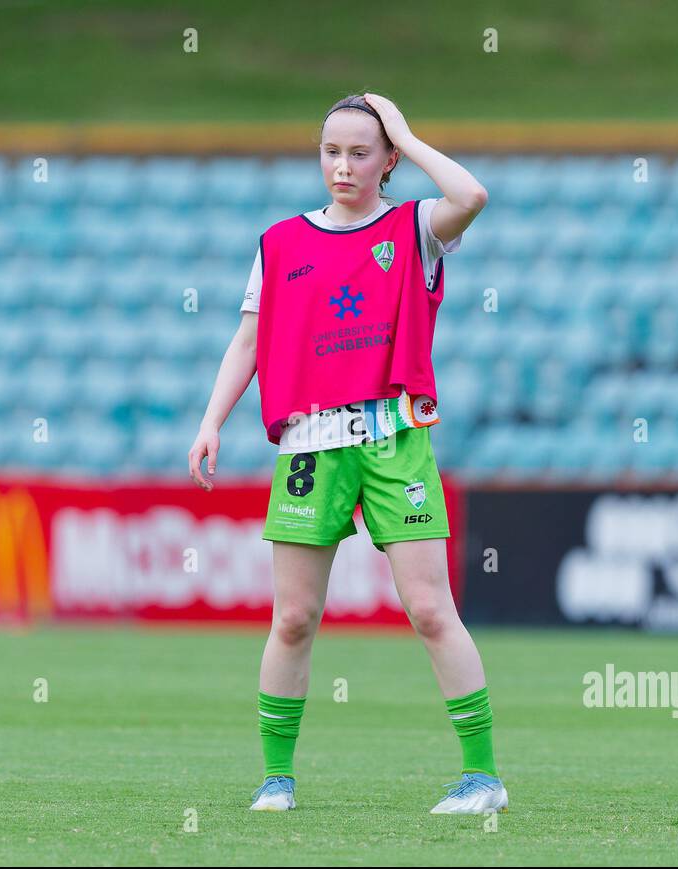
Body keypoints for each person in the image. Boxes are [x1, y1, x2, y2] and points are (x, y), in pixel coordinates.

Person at [188, 92, 503, 814]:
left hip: (394, 438)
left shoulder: (413, 225)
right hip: (309, 444)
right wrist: (212, 421)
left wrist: (410, 134)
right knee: (293, 618)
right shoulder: (279, 243)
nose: (343, 165)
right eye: (332, 150)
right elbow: (248, 341)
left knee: (429, 608)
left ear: (387, 160)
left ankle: (483, 777)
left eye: (362, 151)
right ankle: (276, 779)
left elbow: (473, 194)